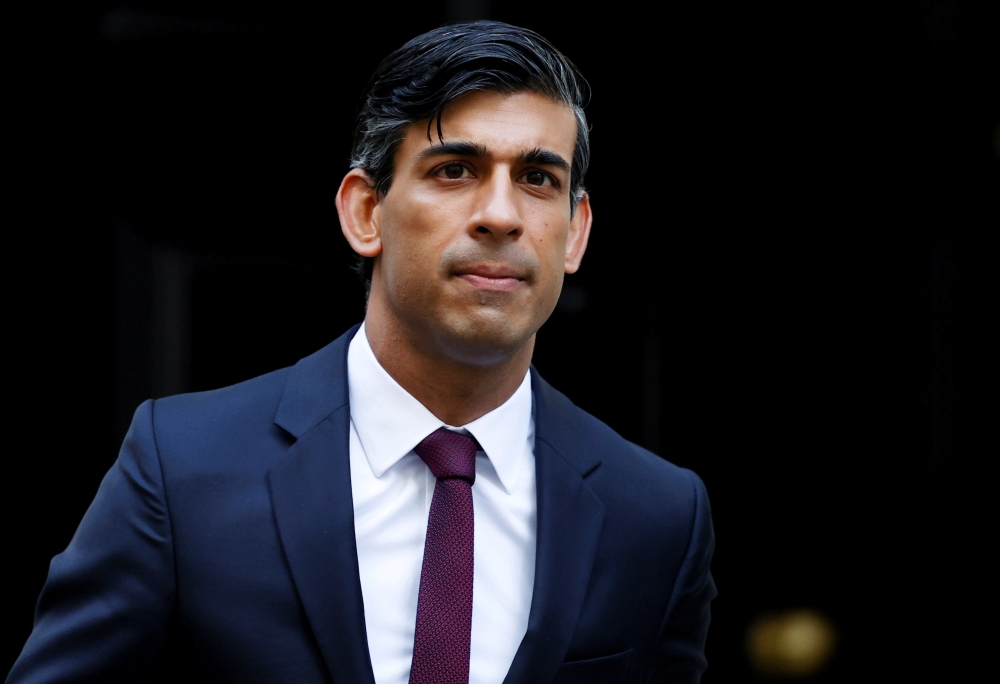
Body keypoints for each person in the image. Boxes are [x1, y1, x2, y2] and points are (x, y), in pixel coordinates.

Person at [7, 21, 715, 684]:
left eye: (538, 179)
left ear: (575, 233)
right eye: (455, 169)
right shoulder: (182, 470)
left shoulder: (655, 516)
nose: (501, 214)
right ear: (364, 211)